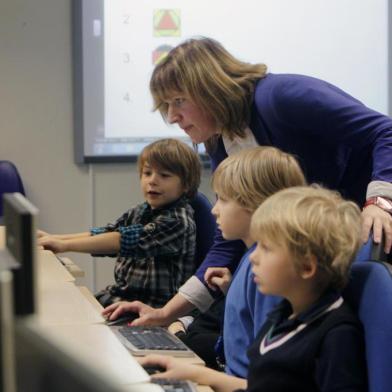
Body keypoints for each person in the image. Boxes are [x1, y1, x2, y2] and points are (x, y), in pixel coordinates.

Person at [103, 36, 392, 326]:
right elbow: (226, 243)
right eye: (166, 105)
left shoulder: (281, 96)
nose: (172, 116)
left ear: (210, 88)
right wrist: (166, 314)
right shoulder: (220, 141)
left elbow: (385, 131)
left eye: (179, 101)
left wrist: (378, 202)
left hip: (373, 221)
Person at [140, 186, 368, 392]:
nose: (254, 258)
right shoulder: (283, 315)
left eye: (266, 248)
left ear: (307, 266)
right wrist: (195, 373)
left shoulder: (337, 336)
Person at [165, 146, 306, 374]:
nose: (214, 210)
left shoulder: (268, 270)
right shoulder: (250, 258)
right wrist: (233, 290)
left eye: (223, 200)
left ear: (254, 203)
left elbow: (266, 371)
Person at [38, 138, 201, 307]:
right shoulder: (141, 210)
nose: (152, 180)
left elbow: (121, 241)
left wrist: (64, 246)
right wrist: (56, 238)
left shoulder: (177, 221)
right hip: (121, 297)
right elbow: (108, 233)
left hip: (149, 308)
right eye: (147, 173)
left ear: (186, 185)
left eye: (164, 175)